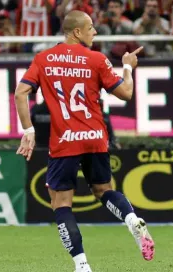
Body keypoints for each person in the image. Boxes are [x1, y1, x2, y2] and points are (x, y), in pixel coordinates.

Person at [14, 10, 154, 272]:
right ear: (76, 32)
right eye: (91, 27)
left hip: (65, 141)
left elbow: (21, 93)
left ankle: (82, 265)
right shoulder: (97, 59)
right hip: (95, 138)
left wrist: (29, 131)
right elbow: (126, 93)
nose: (95, 32)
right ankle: (131, 218)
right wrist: (127, 67)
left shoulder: (43, 59)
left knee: (61, 203)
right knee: (103, 190)